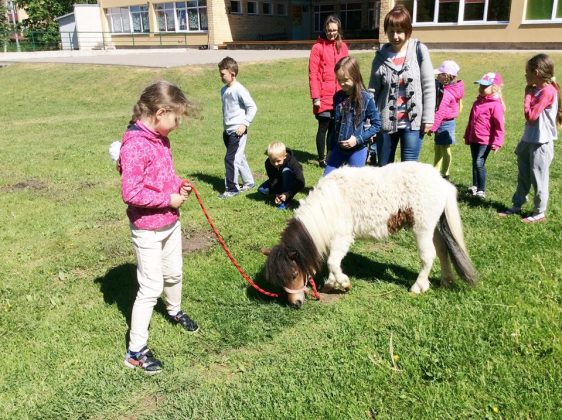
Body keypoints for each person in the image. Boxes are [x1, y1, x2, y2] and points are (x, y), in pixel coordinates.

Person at [118, 81, 199, 375]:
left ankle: (174, 310)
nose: (178, 124)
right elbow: (131, 192)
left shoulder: (160, 139)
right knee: (151, 286)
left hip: (170, 223)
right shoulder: (135, 145)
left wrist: (178, 184)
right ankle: (135, 352)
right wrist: (168, 199)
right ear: (161, 112)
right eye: (176, 118)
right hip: (147, 229)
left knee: (174, 272)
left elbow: (164, 176)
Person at [368, 5, 435, 167]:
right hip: (386, 124)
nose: (395, 36)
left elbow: (428, 86)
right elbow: (372, 92)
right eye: (391, 31)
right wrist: (369, 123)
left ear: (408, 31)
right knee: (385, 169)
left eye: (399, 31)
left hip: (412, 123)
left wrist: (428, 118)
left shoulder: (419, 51)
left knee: (409, 170)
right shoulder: (380, 57)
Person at [498, 54, 561, 223]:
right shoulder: (537, 89)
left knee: (539, 178)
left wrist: (527, 96)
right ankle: (517, 205)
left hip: (541, 142)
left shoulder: (548, 91)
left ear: (537, 73)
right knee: (523, 176)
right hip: (528, 139)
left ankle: (539, 212)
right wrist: (530, 92)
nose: (525, 75)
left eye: (527, 72)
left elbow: (531, 116)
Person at [323, 56, 381, 176]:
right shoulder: (337, 97)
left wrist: (357, 139)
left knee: (355, 183)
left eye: (345, 80)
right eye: (339, 80)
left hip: (357, 150)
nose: (342, 83)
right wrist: (330, 149)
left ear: (355, 76)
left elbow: (377, 125)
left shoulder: (366, 98)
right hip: (338, 149)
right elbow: (334, 126)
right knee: (327, 180)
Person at [308, 15, 349, 168]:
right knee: (323, 127)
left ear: (338, 30)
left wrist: (348, 92)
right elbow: (313, 74)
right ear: (325, 29)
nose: (331, 33)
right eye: (328, 30)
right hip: (323, 95)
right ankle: (321, 158)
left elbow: (347, 70)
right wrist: (316, 97)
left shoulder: (343, 47)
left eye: (334, 30)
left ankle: (330, 156)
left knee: (334, 128)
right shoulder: (317, 48)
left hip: (340, 95)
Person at [218, 56, 257, 199]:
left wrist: (245, 124)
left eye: (223, 74)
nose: (221, 77)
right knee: (238, 157)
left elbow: (252, 107)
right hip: (227, 131)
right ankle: (249, 182)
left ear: (232, 74)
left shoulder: (239, 90)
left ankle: (232, 189)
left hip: (238, 131)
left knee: (231, 159)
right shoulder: (224, 90)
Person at [464, 72, 505, 199]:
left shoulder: (495, 105)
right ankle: (475, 186)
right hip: (474, 138)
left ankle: (481, 190)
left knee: (479, 163)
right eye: (480, 85)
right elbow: (471, 120)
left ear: (494, 88)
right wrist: (467, 135)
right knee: (474, 162)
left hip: (485, 140)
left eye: (485, 86)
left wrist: (497, 142)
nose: (481, 88)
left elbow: (499, 126)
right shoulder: (477, 102)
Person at [429, 60, 464, 179]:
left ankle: (445, 173)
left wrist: (432, 128)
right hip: (446, 122)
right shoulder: (453, 88)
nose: (437, 76)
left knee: (444, 149)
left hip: (444, 124)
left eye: (439, 74)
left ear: (446, 76)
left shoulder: (446, 93)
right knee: (438, 147)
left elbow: (440, 112)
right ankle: (436, 171)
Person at [258, 141, 305, 210]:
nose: (275, 164)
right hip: (279, 179)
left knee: (285, 170)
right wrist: (277, 193)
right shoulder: (268, 163)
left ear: (285, 156)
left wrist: (288, 194)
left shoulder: (292, 162)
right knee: (261, 189)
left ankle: (286, 201)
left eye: (278, 161)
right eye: (272, 161)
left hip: (292, 180)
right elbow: (273, 179)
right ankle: (280, 196)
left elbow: (301, 182)